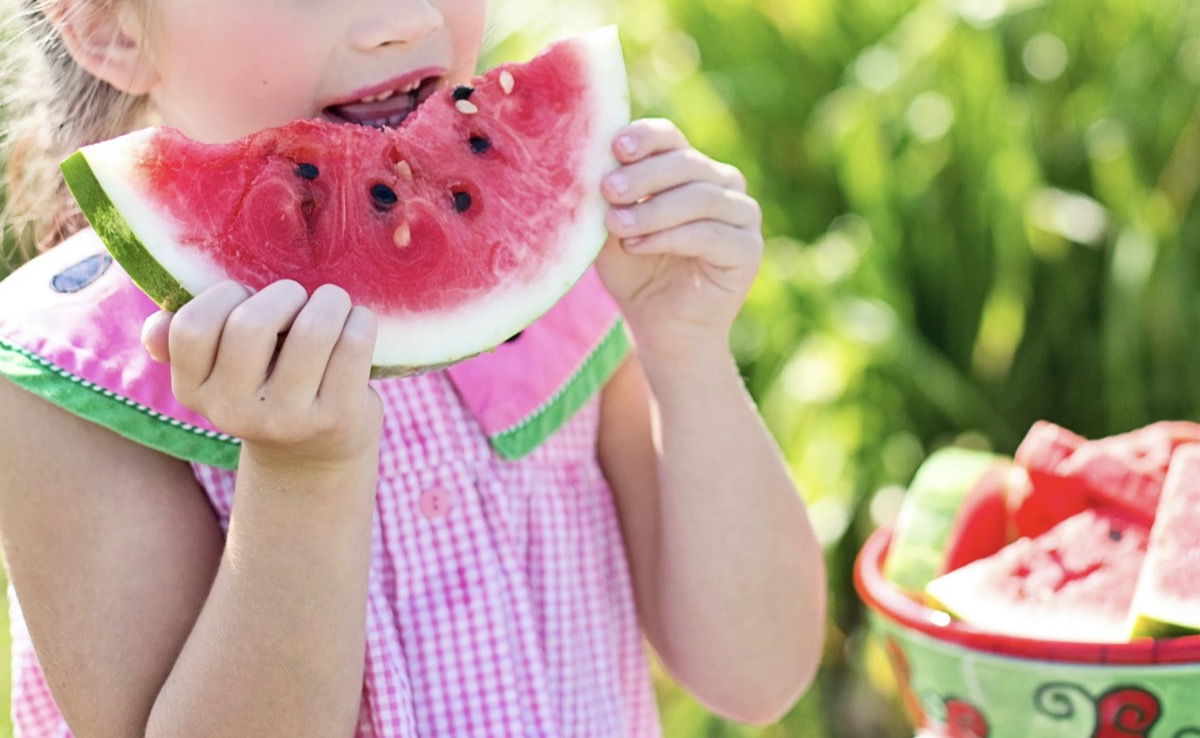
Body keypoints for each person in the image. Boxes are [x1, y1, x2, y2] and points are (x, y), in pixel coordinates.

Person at [0, 1, 826, 736]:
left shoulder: (566, 277)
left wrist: (687, 351)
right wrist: (300, 477)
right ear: (107, 25)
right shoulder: (68, 377)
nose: (401, 18)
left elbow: (757, 675)